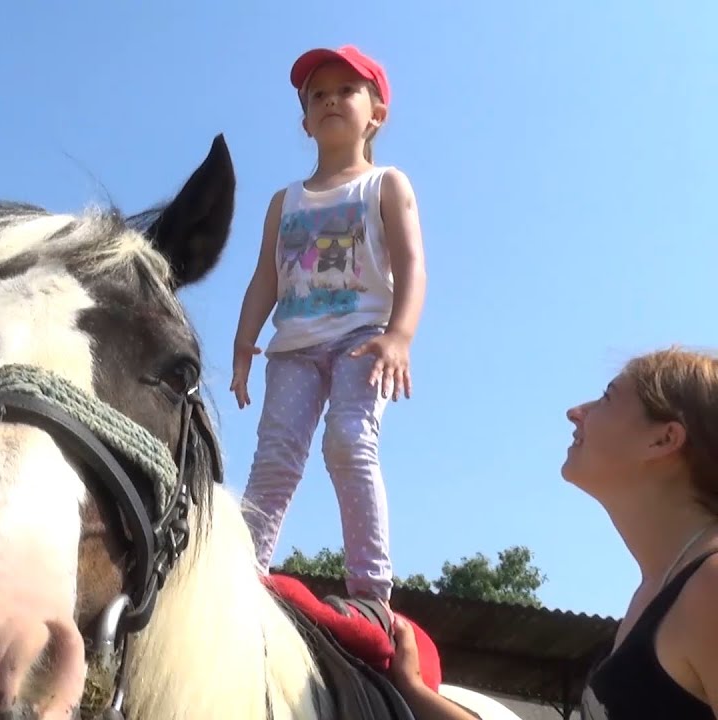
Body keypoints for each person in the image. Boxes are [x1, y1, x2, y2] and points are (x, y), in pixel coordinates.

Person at [386, 347, 718, 719]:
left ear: (663, 440)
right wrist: (412, 690)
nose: (576, 412)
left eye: (607, 397)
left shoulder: (710, 586)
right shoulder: (657, 591)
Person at [231, 44, 427, 618]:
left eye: (347, 90)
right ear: (305, 120)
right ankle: (244, 566)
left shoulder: (386, 184)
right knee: (275, 455)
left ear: (377, 114)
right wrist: (245, 341)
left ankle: (370, 590)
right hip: (292, 348)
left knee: (348, 439)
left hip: (361, 337)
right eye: (318, 94)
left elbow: (413, 264)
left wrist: (401, 335)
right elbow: (266, 275)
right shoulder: (283, 200)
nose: (330, 100)